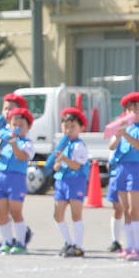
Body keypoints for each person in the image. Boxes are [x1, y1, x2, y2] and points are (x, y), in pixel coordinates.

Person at [109, 92, 139, 261]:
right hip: (122, 168)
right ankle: (129, 246)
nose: (132, 112)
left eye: (136, 108)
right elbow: (112, 146)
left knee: (135, 210)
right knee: (126, 210)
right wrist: (118, 133)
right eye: (129, 109)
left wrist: (125, 132)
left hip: (138, 169)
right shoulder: (124, 127)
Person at [0, 94, 32, 249]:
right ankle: (7, 240)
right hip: (1, 176)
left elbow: (21, 155)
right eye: (5, 109)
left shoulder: (24, 139)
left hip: (16, 177)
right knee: (0, 211)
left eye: (10, 109)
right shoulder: (3, 133)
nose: (7, 113)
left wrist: (12, 142)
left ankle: (20, 241)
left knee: (15, 211)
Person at [52, 108, 89, 257]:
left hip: (76, 180)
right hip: (62, 181)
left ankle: (78, 245)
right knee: (57, 214)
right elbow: (57, 165)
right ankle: (68, 242)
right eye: (66, 126)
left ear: (80, 128)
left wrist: (64, 159)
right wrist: (57, 164)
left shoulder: (79, 145)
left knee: (76, 214)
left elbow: (77, 165)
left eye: (73, 127)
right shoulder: (62, 144)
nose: (69, 130)